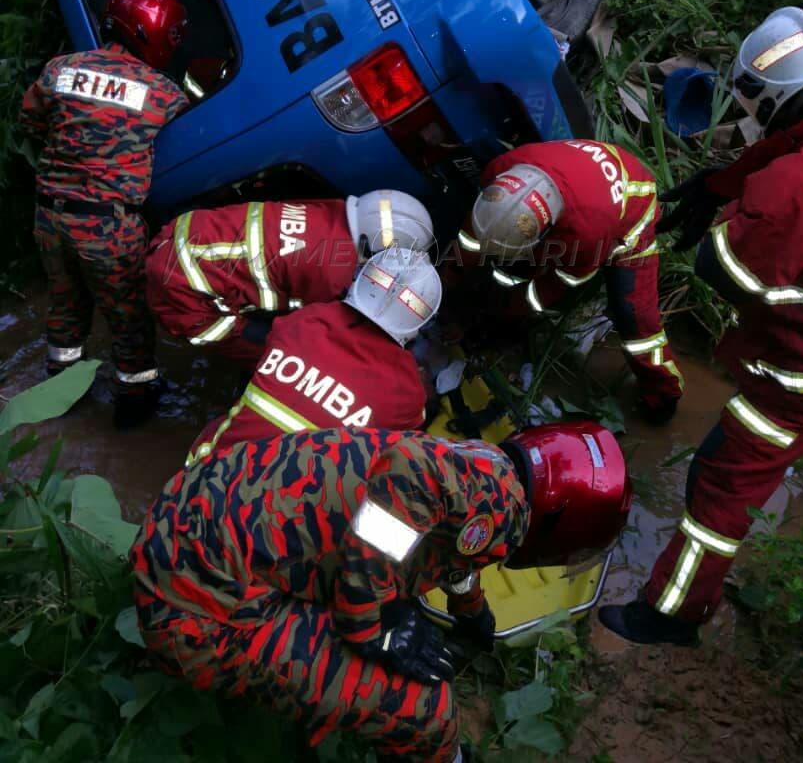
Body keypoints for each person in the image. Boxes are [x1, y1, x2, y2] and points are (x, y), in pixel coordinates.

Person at [131, 421, 631, 763]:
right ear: (563, 525)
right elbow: (411, 471)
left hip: (189, 531)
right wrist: (372, 624)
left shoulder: (485, 462)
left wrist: (469, 605)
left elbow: (443, 538)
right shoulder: (502, 508)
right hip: (197, 609)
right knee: (426, 708)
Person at [600, 7, 803, 646]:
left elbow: (728, 271)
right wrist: (719, 187)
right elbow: (788, 147)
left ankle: (670, 615)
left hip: (795, 379)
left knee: (721, 482)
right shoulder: (793, 162)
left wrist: (722, 226)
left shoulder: (791, 191)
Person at [19, 0, 190, 428]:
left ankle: (61, 400)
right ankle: (133, 413)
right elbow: (187, 153)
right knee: (129, 318)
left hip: (49, 218)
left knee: (64, 307)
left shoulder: (60, 70)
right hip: (109, 229)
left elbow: (30, 121)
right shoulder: (164, 93)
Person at [455, 140, 683, 423]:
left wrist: (507, 312)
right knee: (510, 264)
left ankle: (664, 392)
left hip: (632, 212)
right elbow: (475, 231)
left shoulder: (586, 233)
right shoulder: (502, 170)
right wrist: (450, 279)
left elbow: (552, 287)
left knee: (633, 315)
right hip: (583, 182)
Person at [185, 247, 442, 466]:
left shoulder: (308, 319)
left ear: (360, 281)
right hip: (277, 514)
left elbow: (277, 341)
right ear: (418, 324)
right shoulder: (406, 390)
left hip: (203, 471)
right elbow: (410, 428)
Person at [146, 189, 434, 365]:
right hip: (183, 281)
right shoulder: (332, 275)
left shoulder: (331, 209)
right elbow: (316, 322)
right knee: (276, 353)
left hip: (187, 231)